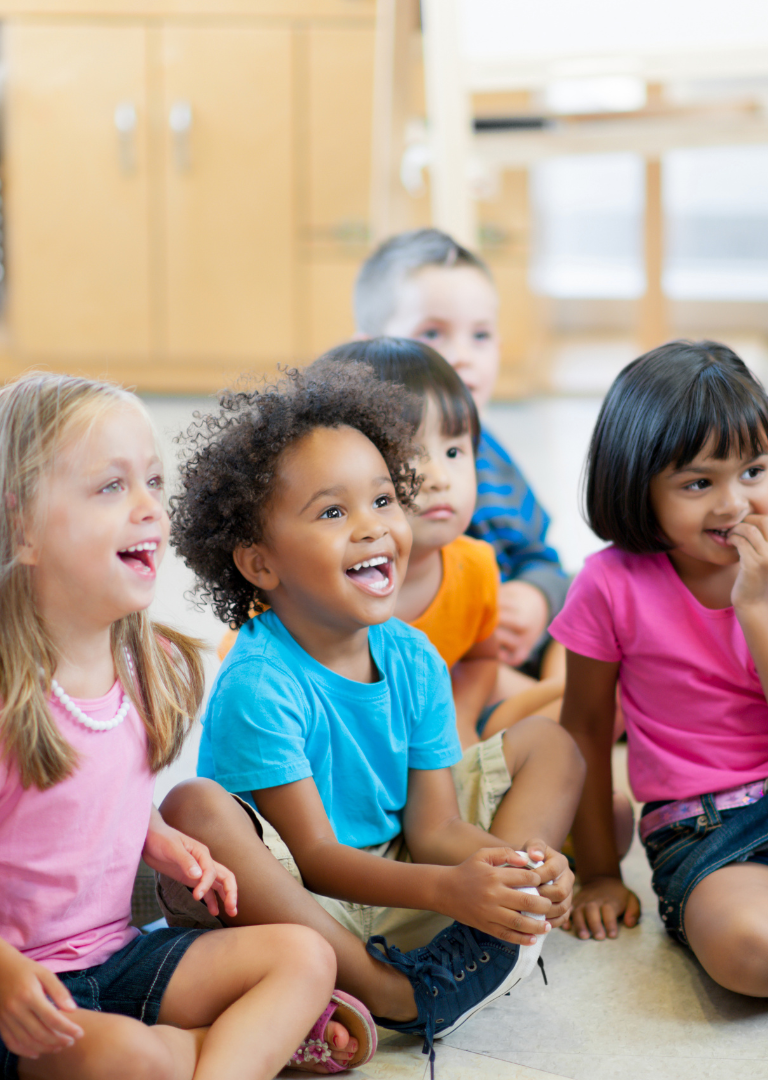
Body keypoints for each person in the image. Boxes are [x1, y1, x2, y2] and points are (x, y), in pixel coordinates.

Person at [0, 373, 372, 1080]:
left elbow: (98, 794)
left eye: (152, 480)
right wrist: (3, 976)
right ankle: (205, 1053)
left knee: (305, 953)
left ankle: (202, 1064)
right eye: (111, 487)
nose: (151, 507)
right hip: (0, 996)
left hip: (115, 958)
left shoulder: (138, 669)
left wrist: (164, 840)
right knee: (128, 1059)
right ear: (20, 528)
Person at [157, 362, 583, 1062]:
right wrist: (451, 888)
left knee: (549, 744)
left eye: (384, 500)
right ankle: (387, 993)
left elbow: (436, 825)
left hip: (402, 875)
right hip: (303, 901)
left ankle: (497, 922)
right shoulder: (260, 681)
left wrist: (510, 870)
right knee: (195, 808)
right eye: (333, 512)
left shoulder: (412, 657)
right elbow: (319, 862)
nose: (373, 529)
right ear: (261, 564)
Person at [555, 341, 768, 998]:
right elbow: (586, 733)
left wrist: (756, 607)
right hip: (706, 837)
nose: (734, 504)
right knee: (753, 954)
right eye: (697, 483)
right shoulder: (607, 585)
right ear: (637, 485)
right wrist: (600, 871)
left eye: (752, 471)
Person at [311, 337, 563, 745]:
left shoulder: (475, 566)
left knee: (580, 719)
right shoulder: (310, 580)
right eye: (409, 454)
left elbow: (480, 661)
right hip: (343, 746)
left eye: (453, 451)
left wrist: (459, 720)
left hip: (437, 718)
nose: (439, 478)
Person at [355, 229, 568, 691]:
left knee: (598, 629)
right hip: (443, 667)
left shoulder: (494, 454)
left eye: (481, 335)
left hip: (511, 645)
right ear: (369, 351)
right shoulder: (361, 470)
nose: (461, 356)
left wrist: (536, 597)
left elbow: (543, 558)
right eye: (432, 333)